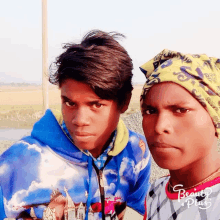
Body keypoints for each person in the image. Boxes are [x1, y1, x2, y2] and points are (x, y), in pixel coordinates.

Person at [0, 30, 151, 220]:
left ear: (125, 102)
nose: (79, 120)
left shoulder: (136, 152)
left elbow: (139, 212)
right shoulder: (19, 161)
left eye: (96, 105)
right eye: (70, 103)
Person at [140, 49, 220, 219]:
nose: (159, 126)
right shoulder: (155, 192)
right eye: (150, 111)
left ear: (215, 116)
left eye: (180, 110)